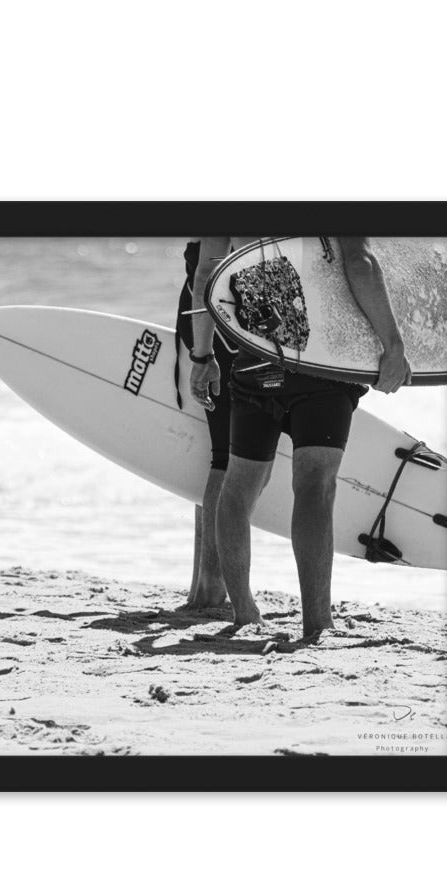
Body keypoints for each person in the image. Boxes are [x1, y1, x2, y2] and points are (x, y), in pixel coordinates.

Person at [189, 237, 411, 637]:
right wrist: (393, 344)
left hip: (256, 355)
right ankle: (317, 622)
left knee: (239, 486)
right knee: (315, 485)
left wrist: (202, 356)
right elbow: (360, 263)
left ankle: (244, 613)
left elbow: (207, 274)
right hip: (320, 360)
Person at [176, 237, 259, 609]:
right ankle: (211, 584)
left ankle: (203, 583)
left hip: (209, 312)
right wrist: (202, 353)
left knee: (219, 452)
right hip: (218, 318)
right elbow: (210, 269)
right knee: (226, 456)